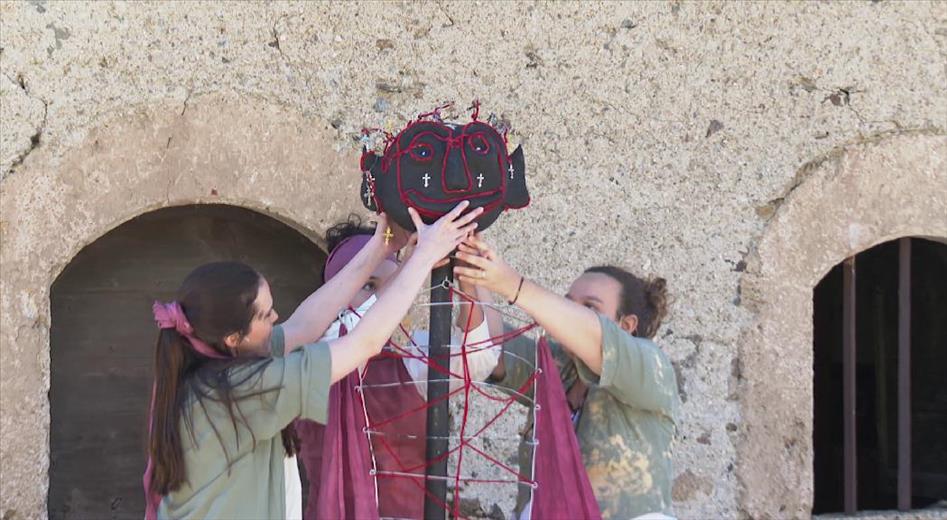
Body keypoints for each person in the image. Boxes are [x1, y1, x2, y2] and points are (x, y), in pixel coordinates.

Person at [143, 203, 482, 520]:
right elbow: (364, 342)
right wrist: (423, 257)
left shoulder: (210, 360)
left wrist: (380, 245)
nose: (276, 317)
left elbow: (304, 325)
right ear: (233, 338)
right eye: (265, 314)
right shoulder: (246, 388)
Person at [454, 234, 679, 519]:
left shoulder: (649, 364)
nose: (571, 313)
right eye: (568, 303)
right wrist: (471, 272)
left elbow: (598, 340)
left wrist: (512, 284)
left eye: (590, 307)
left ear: (627, 325)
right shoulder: (558, 364)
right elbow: (487, 348)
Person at [294, 216, 501, 519]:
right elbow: (356, 330)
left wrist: (468, 278)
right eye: (367, 284)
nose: (390, 292)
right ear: (332, 293)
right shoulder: (304, 361)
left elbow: (479, 357)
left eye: (387, 281)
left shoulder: (410, 357)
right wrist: (416, 263)